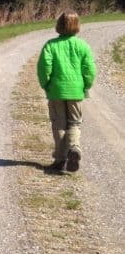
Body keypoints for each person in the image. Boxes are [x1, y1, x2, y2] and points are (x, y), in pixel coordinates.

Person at [36, 10, 96, 173]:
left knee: (59, 123)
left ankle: (60, 159)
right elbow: (89, 69)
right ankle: (74, 147)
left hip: (56, 91)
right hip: (76, 91)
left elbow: (43, 67)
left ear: (59, 25)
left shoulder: (51, 45)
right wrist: (86, 85)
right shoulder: (83, 46)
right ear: (77, 26)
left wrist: (46, 84)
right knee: (75, 122)